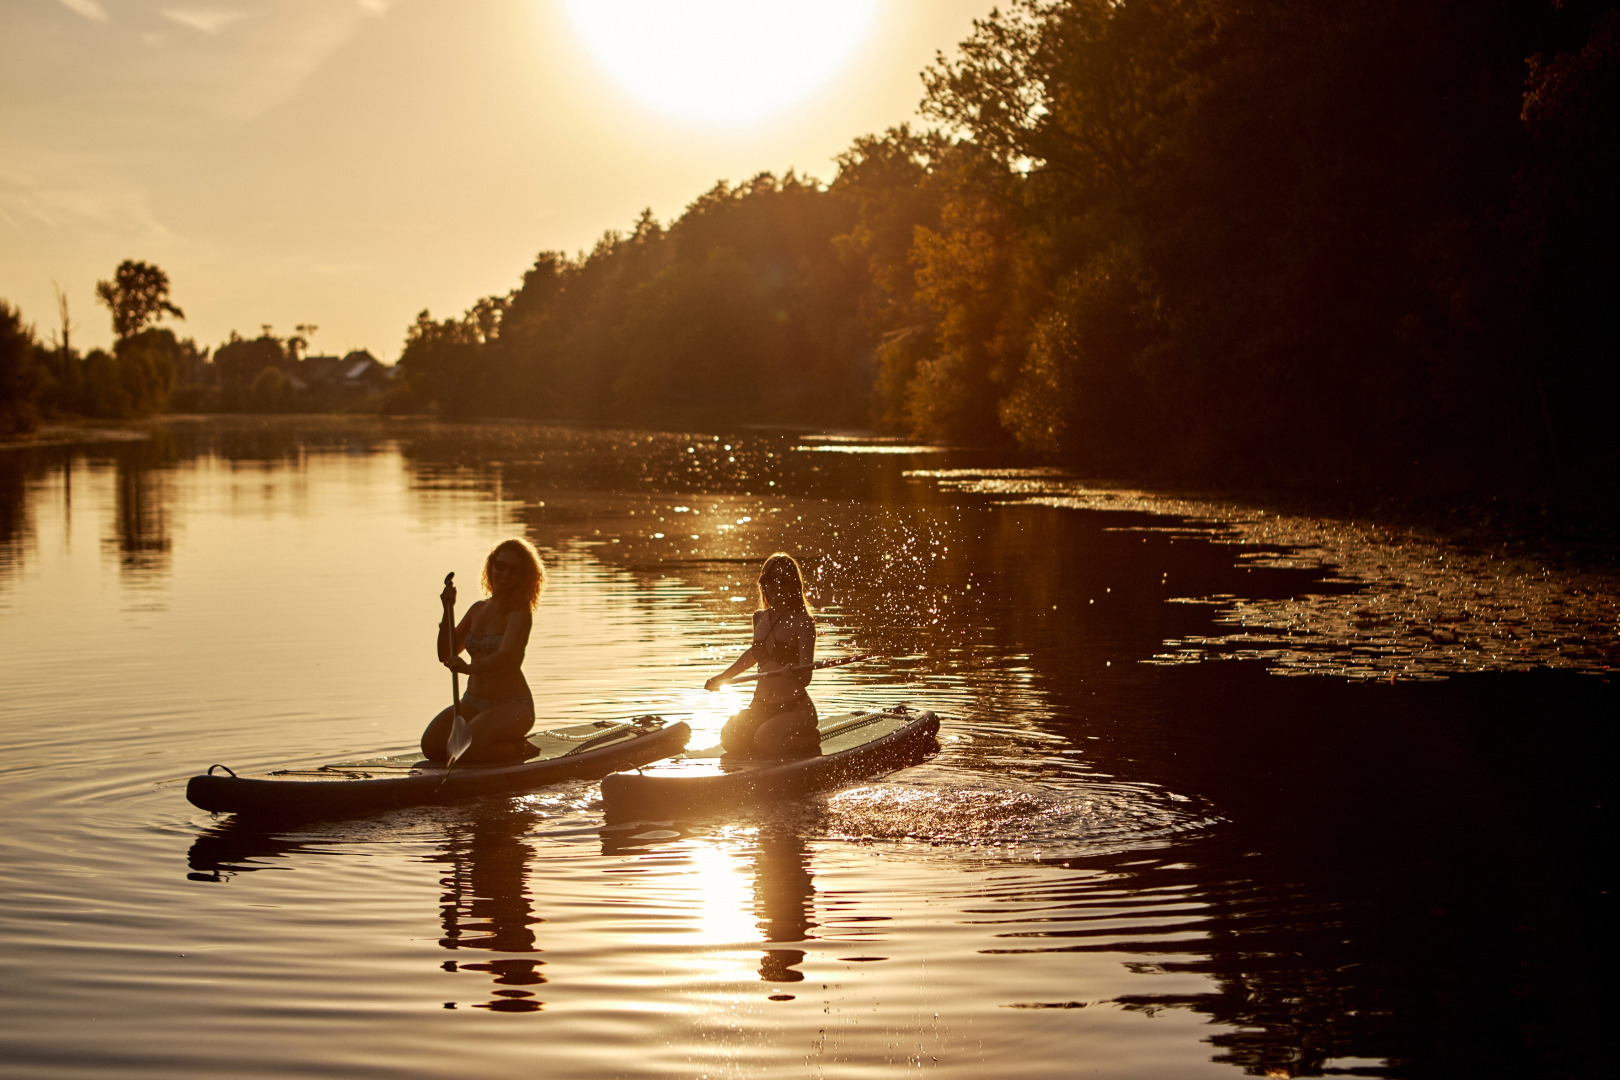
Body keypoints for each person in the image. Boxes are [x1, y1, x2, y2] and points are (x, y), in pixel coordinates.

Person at [421, 538, 544, 765]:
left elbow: (508, 658)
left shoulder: (519, 613)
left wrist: (469, 668)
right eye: (500, 565)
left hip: (512, 706)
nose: (504, 573)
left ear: (523, 577)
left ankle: (518, 747)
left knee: (467, 749)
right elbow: (446, 653)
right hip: (472, 703)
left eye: (514, 570)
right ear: (491, 566)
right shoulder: (478, 609)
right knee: (431, 745)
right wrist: (447, 609)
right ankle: (492, 745)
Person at [705, 552, 819, 757]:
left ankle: (811, 739)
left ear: (793, 585)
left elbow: (806, 677)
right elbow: (752, 656)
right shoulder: (759, 618)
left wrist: (793, 673)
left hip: (795, 709)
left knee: (766, 741)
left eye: (783, 581)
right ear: (763, 584)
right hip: (761, 706)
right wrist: (722, 678)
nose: (776, 586)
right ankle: (765, 741)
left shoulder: (804, 622)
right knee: (730, 737)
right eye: (770, 580)